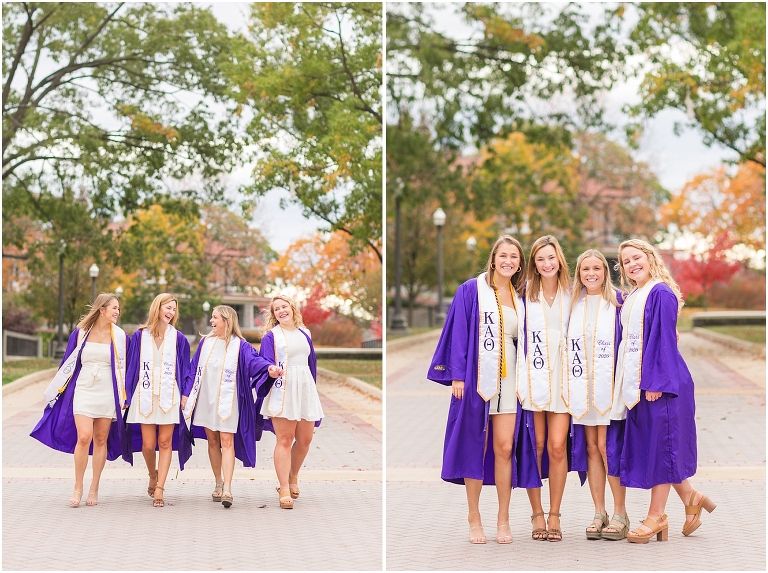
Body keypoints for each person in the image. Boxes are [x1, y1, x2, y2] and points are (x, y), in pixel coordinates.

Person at [428, 235, 539, 544]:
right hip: (477, 379)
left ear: (520, 263)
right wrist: (458, 377)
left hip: (511, 383)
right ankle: (474, 517)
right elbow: (459, 332)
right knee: (476, 444)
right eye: (503, 255)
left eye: (514, 257)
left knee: (505, 448)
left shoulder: (522, 296)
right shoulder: (471, 291)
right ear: (493, 258)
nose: (508, 261)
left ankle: (503, 519)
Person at [616, 239, 716, 543]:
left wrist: (655, 383)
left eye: (637, 258)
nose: (633, 265)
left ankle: (656, 516)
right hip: (643, 383)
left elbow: (662, 340)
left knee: (660, 449)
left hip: (662, 384)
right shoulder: (635, 294)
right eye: (626, 262)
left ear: (650, 257)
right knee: (660, 446)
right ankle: (691, 498)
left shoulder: (659, 292)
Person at [31, 293, 130, 507]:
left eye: (118, 309)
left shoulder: (121, 337)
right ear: (101, 309)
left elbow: (127, 368)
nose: (117, 312)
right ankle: (78, 486)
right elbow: (67, 363)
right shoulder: (81, 333)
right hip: (85, 387)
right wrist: (58, 391)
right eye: (113, 308)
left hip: (107, 390)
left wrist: (125, 395)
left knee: (101, 438)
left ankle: (94, 488)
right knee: (84, 437)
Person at [179, 305, 282, 508]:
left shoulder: (240, 345)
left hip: (229, 401)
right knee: (212, 440)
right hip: (206, 399)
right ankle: (217, 482)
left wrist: (269, 368)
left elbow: (255, 362)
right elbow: (193, 369)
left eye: (215, 317)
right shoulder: (205, 343)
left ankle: (227, 488)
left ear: (226, 320)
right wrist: (186, 393)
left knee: (227, 441)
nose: (211, 321)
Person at [566, 250, 629, 540]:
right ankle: (599, 512)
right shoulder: (573, 304)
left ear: (605, 271)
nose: (591, 274)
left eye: (596, 268)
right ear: (578, 273)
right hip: (582, 387)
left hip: (608, 388)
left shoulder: (618, 302)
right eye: (585, 269)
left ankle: (620, 513)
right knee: (591, 448)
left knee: (607, 448)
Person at [520, 235, 573, 542]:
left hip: (564, 380)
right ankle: (536, 513)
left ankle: (554, 513)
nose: (547, 263)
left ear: (560, 259)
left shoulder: (573, 292)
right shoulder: (525, 293)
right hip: (533, 378)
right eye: (540, 259)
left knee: (556, 446)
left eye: (551, 257)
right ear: (534, 264)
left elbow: (609, 300)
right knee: (535, 445)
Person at [256, 295, 323, 510]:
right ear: (274, 315)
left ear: (292, 308)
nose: (281, 311)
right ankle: (284, 487)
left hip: (304, 388)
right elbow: (264, 361)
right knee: (285, 439)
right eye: (277, 309)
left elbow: (311, 362)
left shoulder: (305, 333)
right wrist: (271, 369)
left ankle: (293, 475)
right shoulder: (272, 337)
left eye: (284, 306)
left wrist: (312, 387)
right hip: (283, 389)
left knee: (305, 439)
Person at [124, 293, 190, 507]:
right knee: (148, 444)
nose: (171, 313)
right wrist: (126, 393)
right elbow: (132, 366)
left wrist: (184, 394)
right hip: (145, 393)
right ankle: (153, 473)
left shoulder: (178, 338)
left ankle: (160, 487)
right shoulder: (139, 336)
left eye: (173, 309)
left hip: (169, 393)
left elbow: (186, 368)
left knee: (165, 442)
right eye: (167, 308)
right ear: (157, 308)